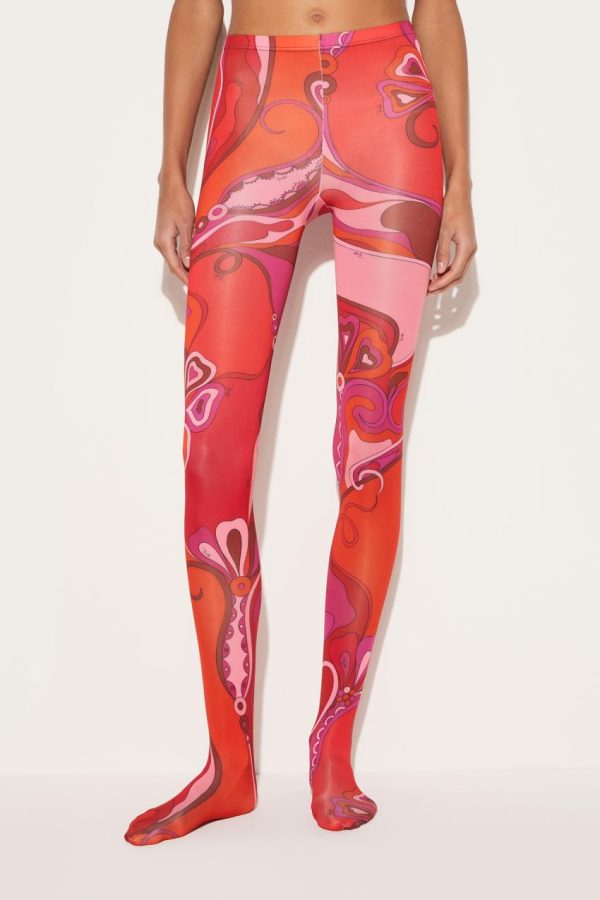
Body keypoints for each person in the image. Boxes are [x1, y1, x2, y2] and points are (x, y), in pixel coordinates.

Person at [124, 0, 477, 844]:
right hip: (255, 99)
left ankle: (334, 755)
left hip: (390, 107)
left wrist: (462, 181)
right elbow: (197, 5)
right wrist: (171, 169)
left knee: (369, 452)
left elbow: (436, 5)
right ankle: (228, 767)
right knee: (213, 452)